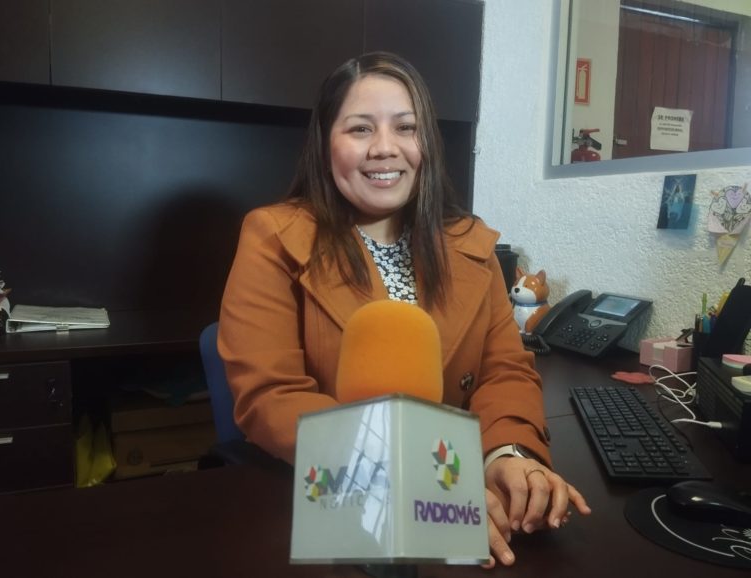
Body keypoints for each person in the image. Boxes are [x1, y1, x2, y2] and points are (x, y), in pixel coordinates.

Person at [218, 51, 591, 567]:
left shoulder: (470, 243)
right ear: (325, 143)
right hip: (335, 503)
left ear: (426, 143)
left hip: (463, 504)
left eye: (406, 127)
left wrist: (506, 454)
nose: (385, 148)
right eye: (360, 128)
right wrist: (430, 484)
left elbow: (503, 370)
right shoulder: (274, 236)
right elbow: (270, 396)